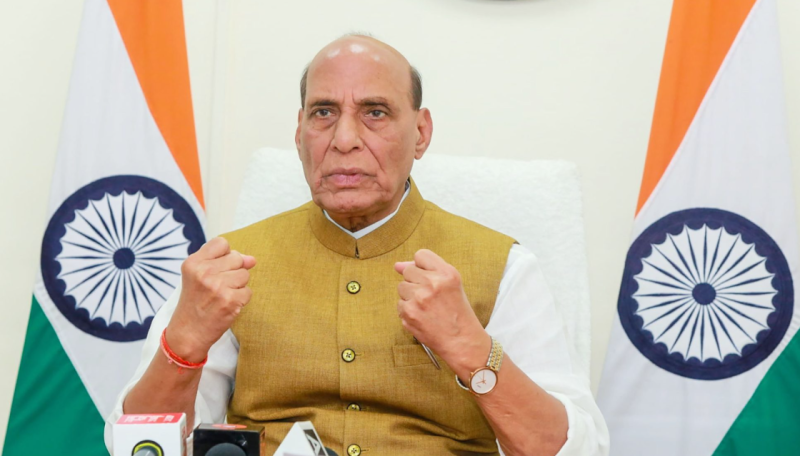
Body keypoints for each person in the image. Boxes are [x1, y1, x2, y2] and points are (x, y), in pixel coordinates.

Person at [105, 34, 609, 456]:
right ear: (299, 133)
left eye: (375, 112)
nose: (344, 138)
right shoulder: (228, 267)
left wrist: (472, 350)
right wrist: (183, 345)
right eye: (324, 112)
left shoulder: (504, 267)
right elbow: (136, 447)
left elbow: (576, 449)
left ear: (421, 133)